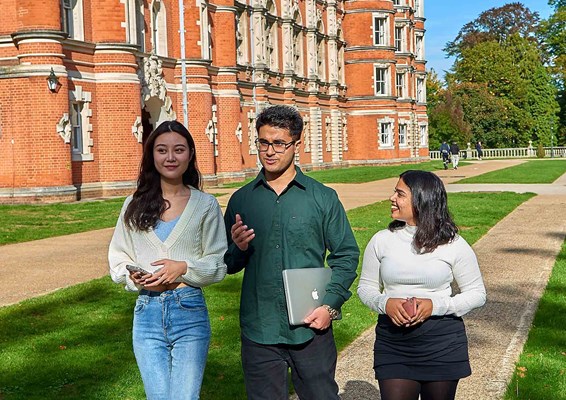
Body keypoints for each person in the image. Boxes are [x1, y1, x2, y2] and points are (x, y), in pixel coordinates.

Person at [224, 105, 360, 400]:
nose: (269, 151)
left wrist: (330, 306)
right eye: (263, 142)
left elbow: (346, 255)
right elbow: (228, 264)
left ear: (297, 145)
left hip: (311, 327)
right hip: (260, 328)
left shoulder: (322, 197)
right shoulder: (241, 200)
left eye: (279, 143)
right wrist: (239, 248)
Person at [108, 120, 227, 400]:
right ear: (152, 156)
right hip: (146, 313)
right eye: (162, 150)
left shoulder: (205, 205)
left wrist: (184, 267)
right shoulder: (133, 204)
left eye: (179, 150)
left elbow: (218, 263)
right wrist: (131, 274)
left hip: (188, 311)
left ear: (190, 155)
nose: (170, 157)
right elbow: (118, 254)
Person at [357, 170, 486, 400]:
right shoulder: (381, 240)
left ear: (421, 199)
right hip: (393, 342)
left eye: (400, 193)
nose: (391, 198)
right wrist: (384, 302)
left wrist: (434, 306)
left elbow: (477, 294)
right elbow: (365, 288)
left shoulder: (453, 243)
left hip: (442, 343)